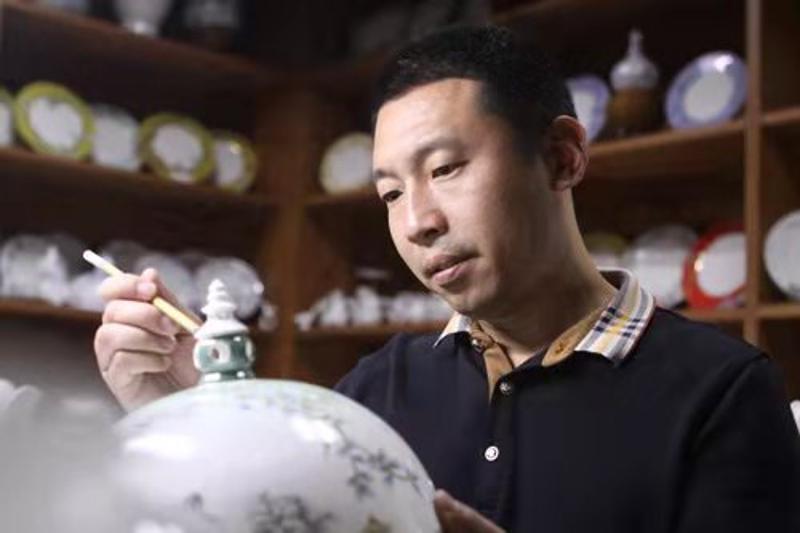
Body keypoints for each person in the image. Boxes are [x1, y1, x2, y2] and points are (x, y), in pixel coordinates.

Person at [93, 26, 800, 532]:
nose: (418, 222)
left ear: (561, 157)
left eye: (446, 169)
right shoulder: (379, 387)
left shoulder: (721, 393)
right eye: (391, 193)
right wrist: (187, 413)